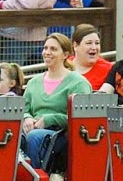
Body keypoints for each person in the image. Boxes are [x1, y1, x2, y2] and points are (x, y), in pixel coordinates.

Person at [21, 33, 91, 167]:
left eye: (53, 49)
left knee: (34, 137)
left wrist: (50, 119)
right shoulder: (34, 82)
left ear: (65, 55)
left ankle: (35, 176)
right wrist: (27, 117)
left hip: (61, 134)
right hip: (32, 128)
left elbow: (81, 119)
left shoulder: (78, 83)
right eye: (45, 48)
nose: (47, 52)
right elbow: (23, 109)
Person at [70, 25, 114, 91]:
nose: (94, 47)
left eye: (97, 43)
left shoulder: (110, 69)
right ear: (75, 46)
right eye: (89, 43)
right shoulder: (63, 65)